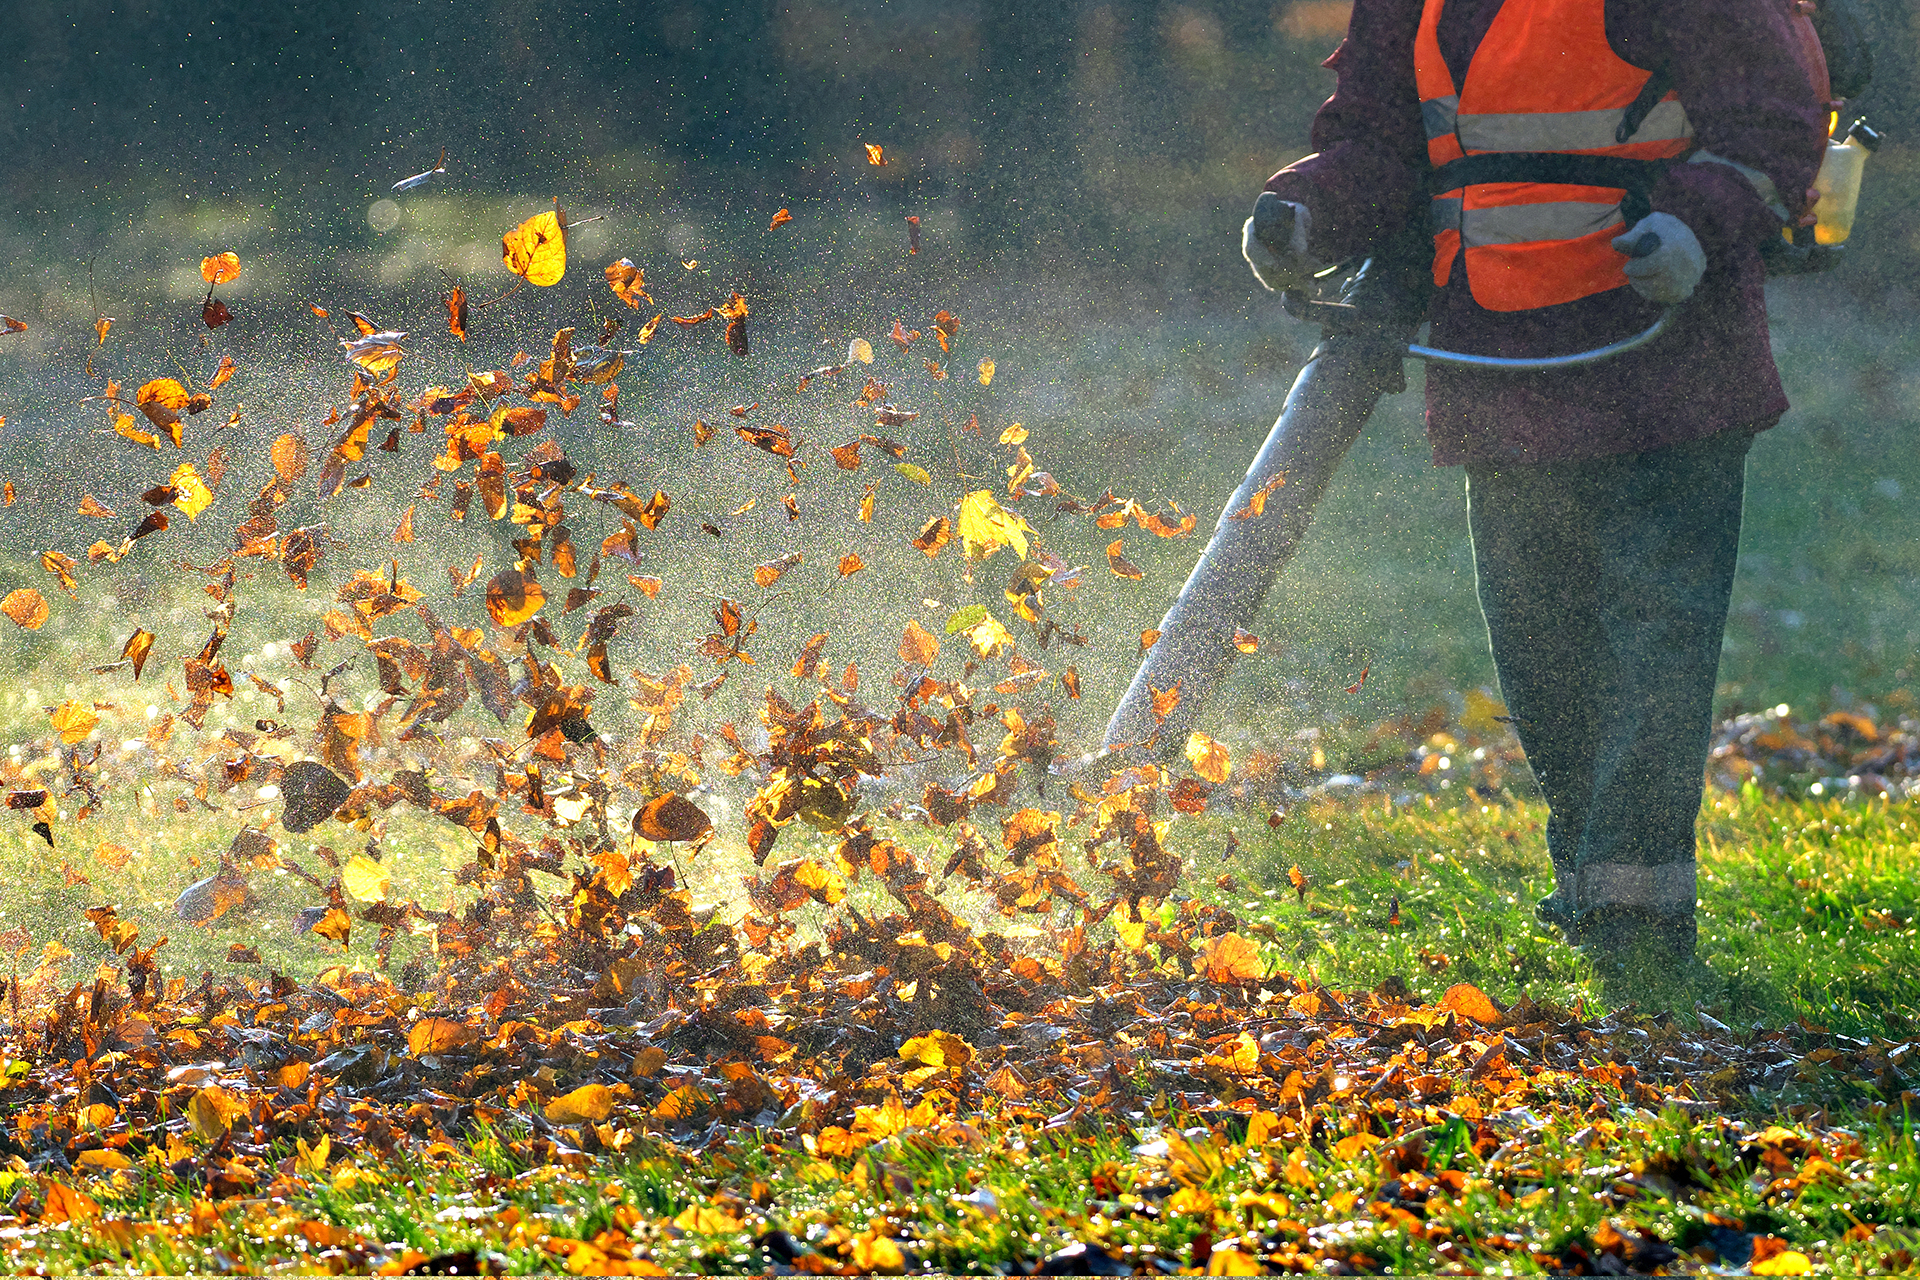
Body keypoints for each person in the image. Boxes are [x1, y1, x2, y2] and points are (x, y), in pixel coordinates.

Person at [1242, 0, 1826, 1004]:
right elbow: (1382, 144)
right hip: (1500, 376)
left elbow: (1772, 121)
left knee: (1653, 653)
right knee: (1543, 656)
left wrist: (1693, 224)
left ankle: (1639, 920)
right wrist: (1307, 213)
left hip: (1664, 368)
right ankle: (1593, 888)